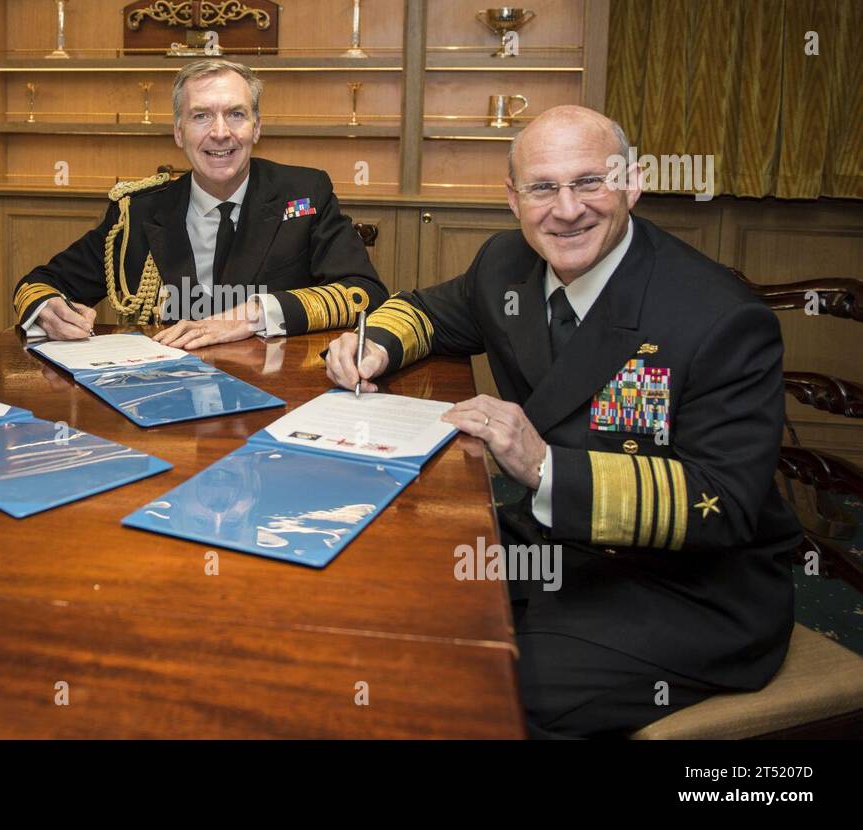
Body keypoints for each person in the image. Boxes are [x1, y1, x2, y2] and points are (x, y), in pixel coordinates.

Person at [326, 105, 801, 737]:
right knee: (391, 599)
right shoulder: (506, 265)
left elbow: (723, 503)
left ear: (632, 184)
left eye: (589, 182)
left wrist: (545, 468)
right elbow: (428, 312)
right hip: (551, 549)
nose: (567, 209)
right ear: (513, 198)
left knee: (484, 692)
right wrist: (374, 345)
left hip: (688, 590)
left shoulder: (717, 316)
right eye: (543, 187)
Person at [13, 58, 387, 349]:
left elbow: (363, 292)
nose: (220, 132)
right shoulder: (139, 211)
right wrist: (48, 310)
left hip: (275, 391)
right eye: (201, 116)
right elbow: (41, 284)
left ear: (257, 127)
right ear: (179, 132)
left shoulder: (304, 193)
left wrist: (252, 315)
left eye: (236, 114)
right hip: (167, 396)